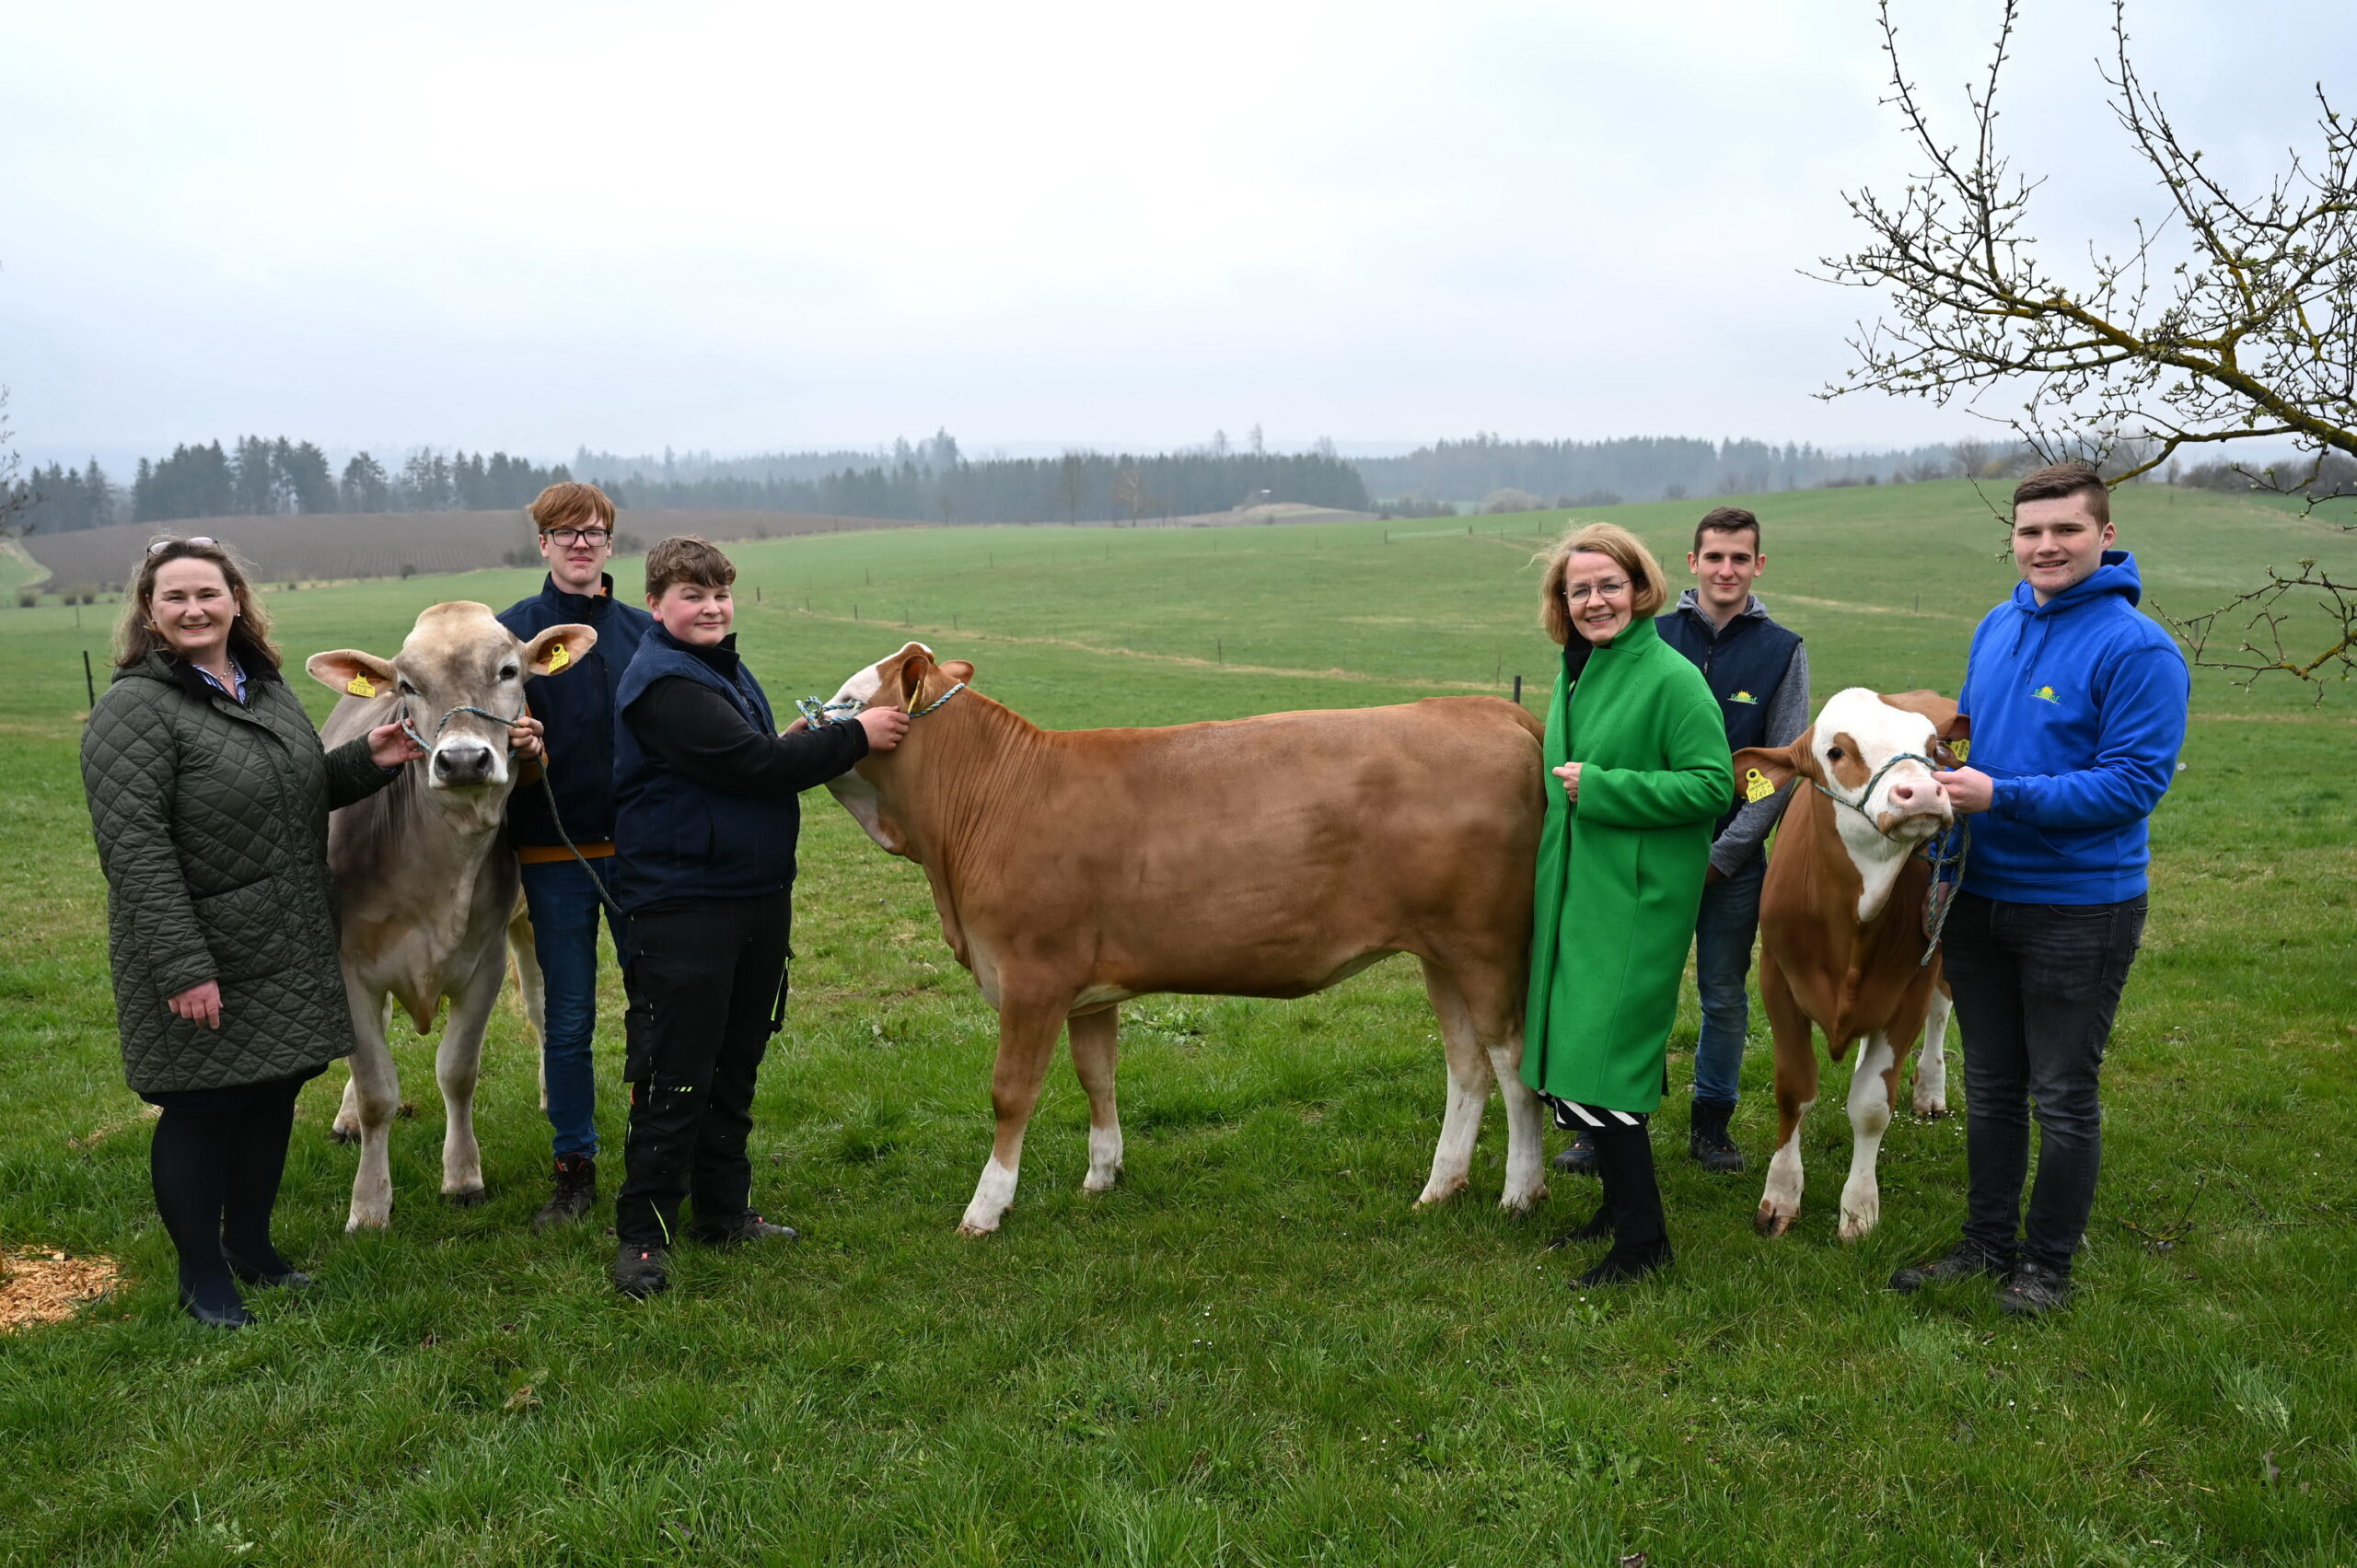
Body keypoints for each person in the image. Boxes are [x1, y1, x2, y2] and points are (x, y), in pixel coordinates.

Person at [80, 538, 538, 1327]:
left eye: (209, 594)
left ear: (235, 603)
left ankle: (253, 1250)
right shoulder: (134, 708)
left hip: (281, 935)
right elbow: (135, 850)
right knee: (199, 1107)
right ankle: (203, 1275)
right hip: (201, 941)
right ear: (149, 613)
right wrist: (183, 963)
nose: (194, 609)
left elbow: (305, 784)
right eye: (175, 597)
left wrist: (374, 754)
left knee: (269, 1095)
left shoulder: (263, 689)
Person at [1896, 462, 2189, 1315]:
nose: (2046, 546)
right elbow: (1973, 743)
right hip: (1980, 893)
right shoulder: (1997, 625)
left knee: (2062, 1090)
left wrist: (1999, 794)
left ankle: (2047, 1265)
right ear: (2012, 541)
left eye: (2066, 530)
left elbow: (2132, 784)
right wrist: (1939, 778)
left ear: (2105, 533)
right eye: (2031, 532)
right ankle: (1986, 1244)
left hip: (2079, 906)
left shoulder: (2138, 649)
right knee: (1989, 1082)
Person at [607, 536, 909, 1298]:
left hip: (751, 896)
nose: (710, 607)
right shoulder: (663, 684)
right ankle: (643, 1236)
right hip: (684, 908)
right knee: (676, 1072)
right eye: (691, 595)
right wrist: (855, 738)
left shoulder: (717, 667)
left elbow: (752, 752)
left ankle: (723, 1211)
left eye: (719, 593)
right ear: (655, 605)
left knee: (736, 1062)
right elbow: (754, 768)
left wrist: (805, 736)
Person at [1558, 506, 1809, 1178]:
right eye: (1714, 556)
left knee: (1723, 991)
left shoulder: (1783, 649)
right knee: (1629, 984)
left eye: (1741, 557)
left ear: (1759, 565)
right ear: (1691, 564)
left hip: (1731, 859)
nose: (1727, 569)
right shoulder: (1647, 632)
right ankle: (1602, 1121)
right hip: (1641, 856)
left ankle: (1712, 1120)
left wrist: (1725, 851)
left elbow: (1781, 769)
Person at [1520, 522, 1734, 1285]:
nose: (1594, 600)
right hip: (1580, 896)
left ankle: (1646, 1243)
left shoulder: (1670, 677)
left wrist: (1603, 788)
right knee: (1579, 1052)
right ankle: (1617, 1208)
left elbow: (1715, 784)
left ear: (1640, 587)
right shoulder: (1578, 669)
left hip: (1636, 901)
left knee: (1606, 1058)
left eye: (1608, 584)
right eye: (1579, 589)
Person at [495, 482, 653, 1229]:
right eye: (566, 531)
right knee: (568, 1020)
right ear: (544, 543)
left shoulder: (645, 632)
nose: (581, 542)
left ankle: (657, 1152)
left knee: (656, 1009)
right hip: (554, 855)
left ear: (610, 544)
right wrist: (515, 743)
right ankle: (574, 1167)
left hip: (642, 854)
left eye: (594, 531)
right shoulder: (508, 638)